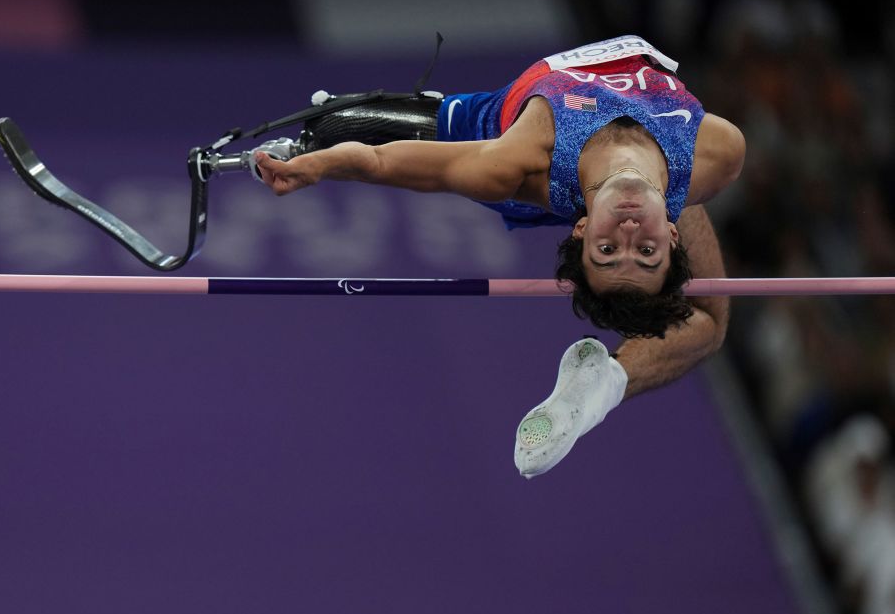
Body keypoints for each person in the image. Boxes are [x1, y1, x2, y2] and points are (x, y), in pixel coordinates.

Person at [253, 35, 744, 478]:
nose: (630, 228)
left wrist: (319, 165)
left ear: (581, 231)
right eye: (647, 251)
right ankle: (607, 382)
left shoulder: (514, 160)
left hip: (493, 133)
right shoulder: (717, 153)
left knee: (340, 128)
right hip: (636, 174)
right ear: (673, 235)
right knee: (707, 322)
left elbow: (382, 163)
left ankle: (591, 392)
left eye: (608, 250)